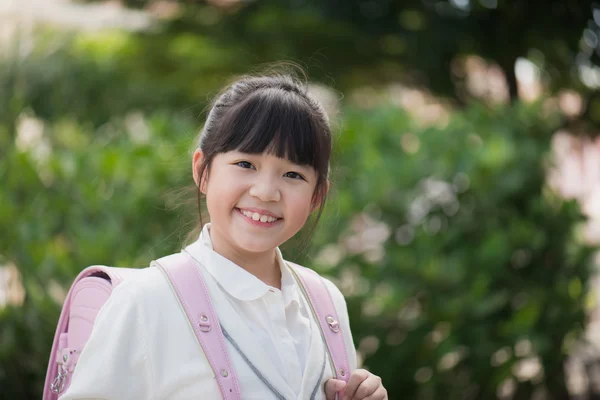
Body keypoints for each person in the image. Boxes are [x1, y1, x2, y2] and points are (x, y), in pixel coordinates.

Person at [60, 71, 387, 400]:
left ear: (317, 195)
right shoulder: (147, 301)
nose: (265, 192)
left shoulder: (326, 304)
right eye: (246, 164)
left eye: (292, 174)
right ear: (202, 170)